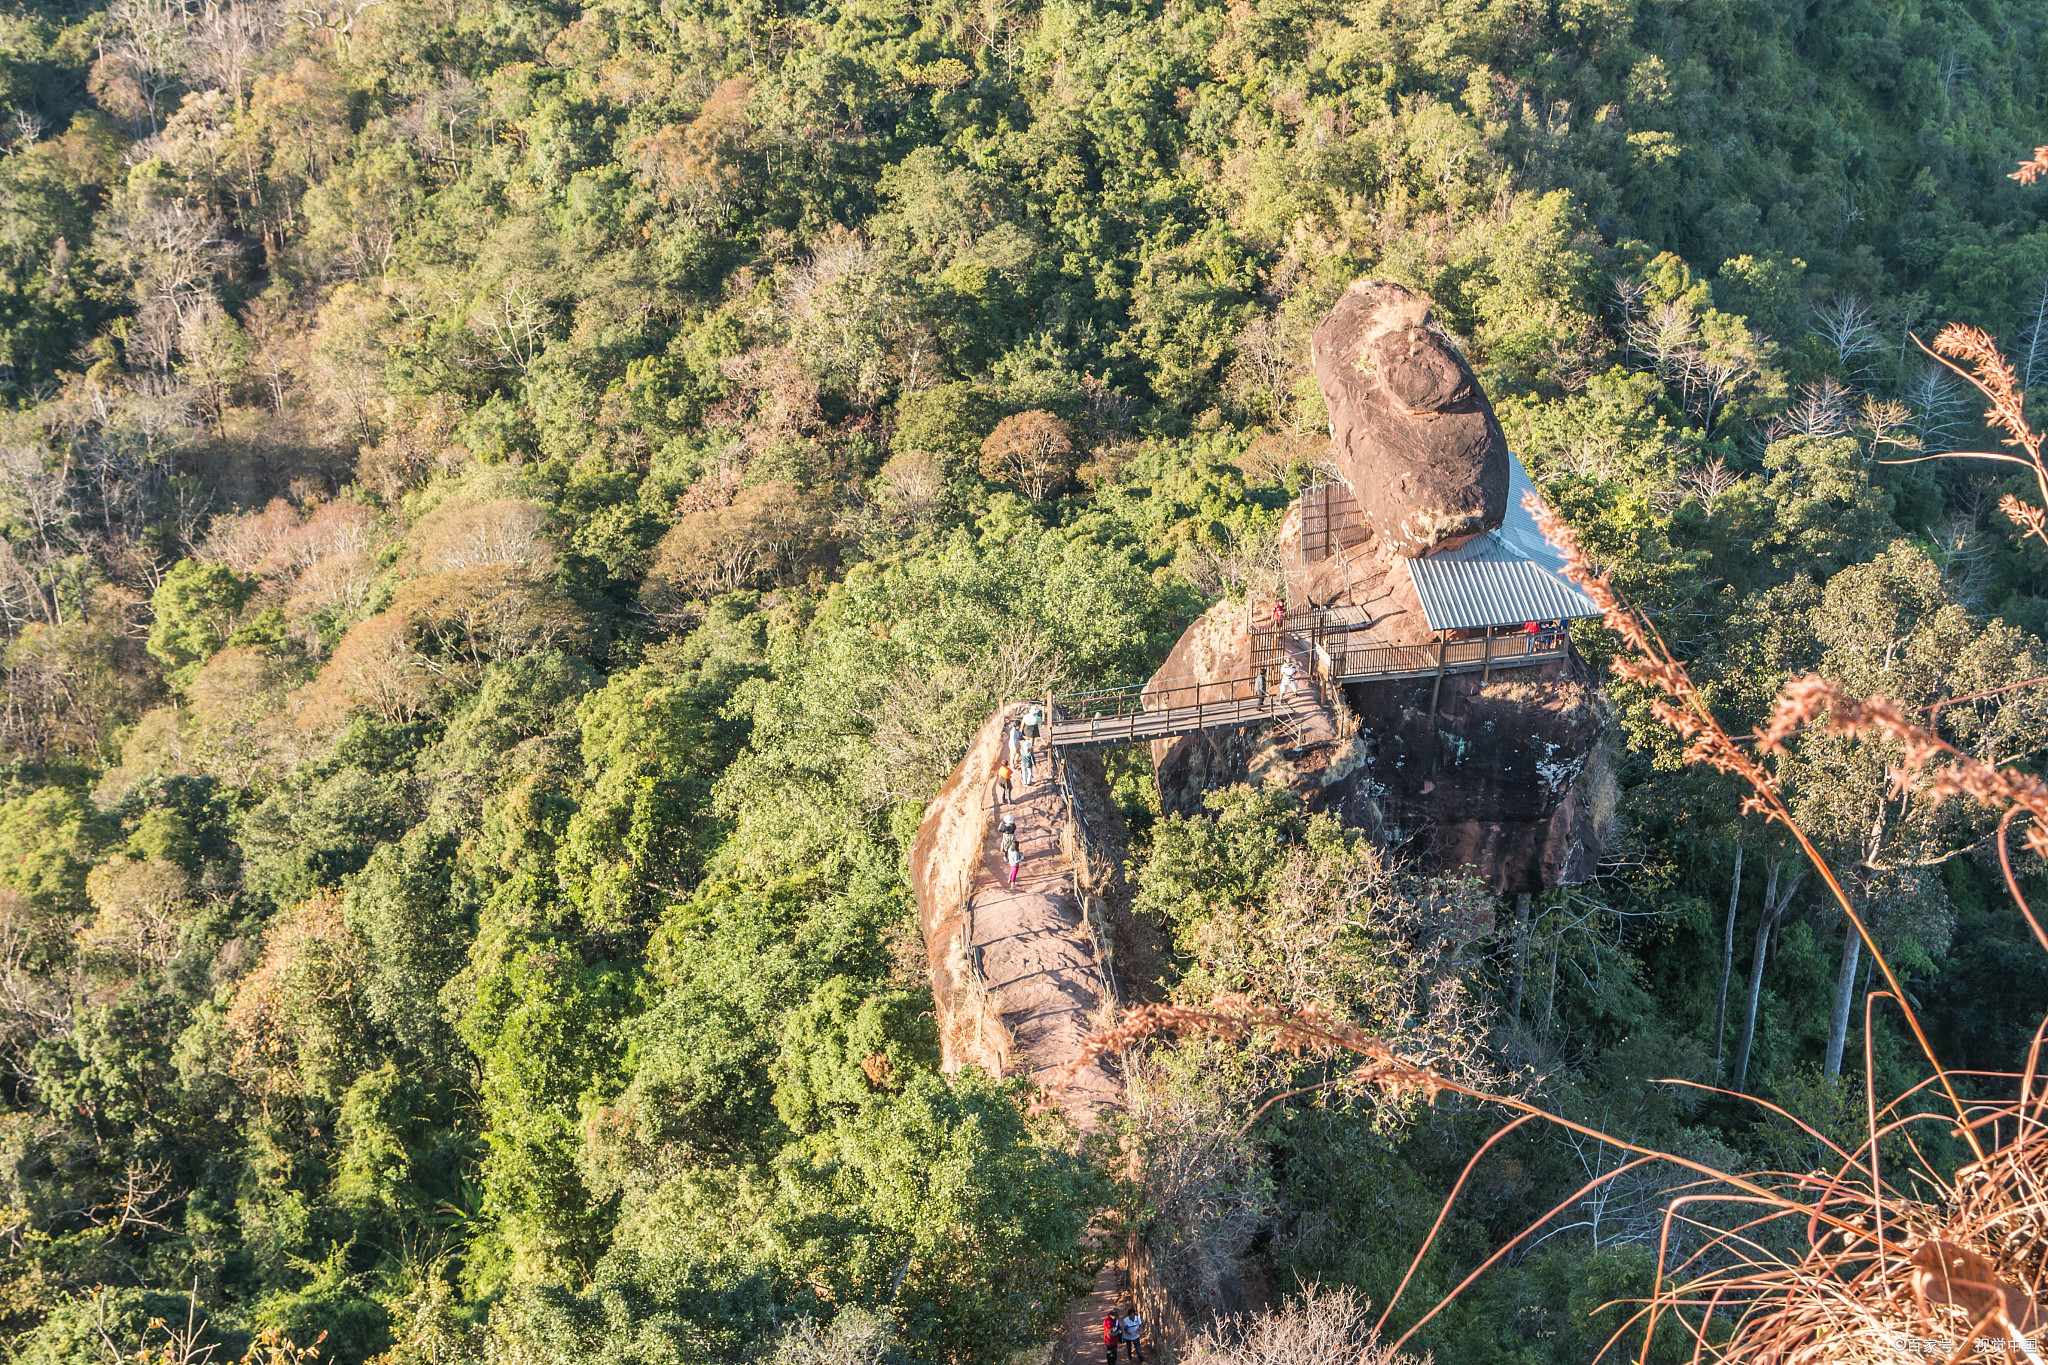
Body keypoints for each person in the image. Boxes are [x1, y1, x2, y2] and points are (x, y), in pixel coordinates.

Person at [999, 817, 1021, 886]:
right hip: (1012, 837)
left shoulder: (1004, 827)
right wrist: (1021, 858)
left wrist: (1001, 824)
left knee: (1005, 848)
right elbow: (1017, 860)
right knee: (1014, 872)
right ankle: (1013, 882)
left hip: (1006, 838)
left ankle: (1005, 856)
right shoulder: (1013, 826)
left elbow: (999, 830)